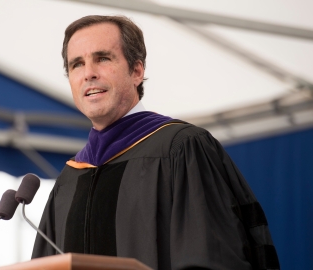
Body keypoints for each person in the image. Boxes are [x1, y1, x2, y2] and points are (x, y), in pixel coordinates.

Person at [32, 15, 279, 270]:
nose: (89, 74)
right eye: (77, 65)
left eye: (103, 58)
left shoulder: (183, 150)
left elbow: (213, 258)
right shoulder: (70, 178)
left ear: (137, 71)